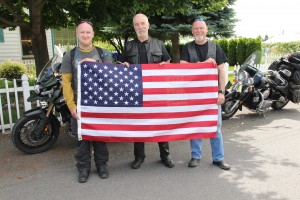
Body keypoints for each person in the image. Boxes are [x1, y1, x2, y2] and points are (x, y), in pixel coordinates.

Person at [119, 13, 174, 169]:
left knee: (161, 123)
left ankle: (165, 155)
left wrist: (165, 66)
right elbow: (121, 66)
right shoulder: (128, 46)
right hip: (137, 93)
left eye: (142, 23)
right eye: (137, 24)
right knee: (139, 125)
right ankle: (139, 157)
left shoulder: (159, 44)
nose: (140, 27)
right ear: (134, 27)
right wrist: (123, 66)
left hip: (156, 93)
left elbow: (168, 64)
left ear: (148, 25)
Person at [61, 20, 113, 183]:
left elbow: (111, 77)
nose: (85, 35)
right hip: (79, 105)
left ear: (93, 34)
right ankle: (83, 168)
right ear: (77, 34)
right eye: (82, 32)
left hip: (99, 105)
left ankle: (102, 165)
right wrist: (71, 106)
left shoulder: (103, 54)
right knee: (82, 139)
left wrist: (94, 64)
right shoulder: (70, 55)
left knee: (99, 137)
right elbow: (66, 83)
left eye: (88, 32)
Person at [180, 18, 231, 170]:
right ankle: (196, 156)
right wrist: (203, 64)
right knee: (195, 126)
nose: (199, 31)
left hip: (212, 96)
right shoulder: (187, 48)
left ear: (206, 29)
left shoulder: (216, 48)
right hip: (193, 96)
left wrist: (221, 92)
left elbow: (221, 71)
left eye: (201, 28)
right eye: (196, 29)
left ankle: (218, 158)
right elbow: (183, 67)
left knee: (216, 127)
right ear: (192, 31)